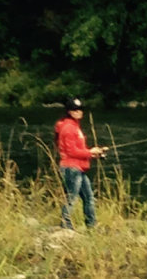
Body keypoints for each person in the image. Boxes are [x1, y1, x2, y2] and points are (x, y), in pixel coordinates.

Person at [54, 98, 107, 230]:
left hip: (79, 168)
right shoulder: (68, 128)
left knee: (89, 197)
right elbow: (72, 152)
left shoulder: (74, 127)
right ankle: (65, 225)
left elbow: (79, 150)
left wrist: (96, 153)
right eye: (75, 110)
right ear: (69, 112)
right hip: (71, 168)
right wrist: (91, 152)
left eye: (80, 109)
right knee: (71, 198)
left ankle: (92, 225)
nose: (79, 112)